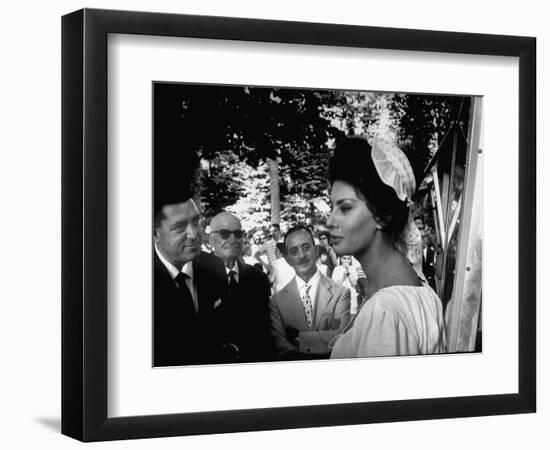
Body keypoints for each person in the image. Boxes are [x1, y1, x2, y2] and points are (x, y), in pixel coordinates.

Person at [327, 137, 446, 358]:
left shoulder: (384, 312)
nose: (330, 220)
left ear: (382, 216)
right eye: (331, 206)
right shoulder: (418, 288)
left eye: (344, 208)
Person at [153, 187, 233, 366]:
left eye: (196, 222)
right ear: (155, 233)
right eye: (179, 227)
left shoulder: (214, 267)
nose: (194, 234)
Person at [269, 225, 351, 359]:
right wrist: (326, 335)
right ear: (288, 259)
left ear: (316, 250)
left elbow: (343, 338)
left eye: (306, 247)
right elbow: (282, 348)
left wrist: (298, 338)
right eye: (294, 251)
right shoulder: (276, 302)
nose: (301, 256)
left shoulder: (340, 293)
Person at [209, 212, 274, 362]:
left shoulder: (258, 279)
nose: (233, 239)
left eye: (238, 234)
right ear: (211, 239)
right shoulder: (199, 277)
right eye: (225, 234)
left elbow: (265, 331)